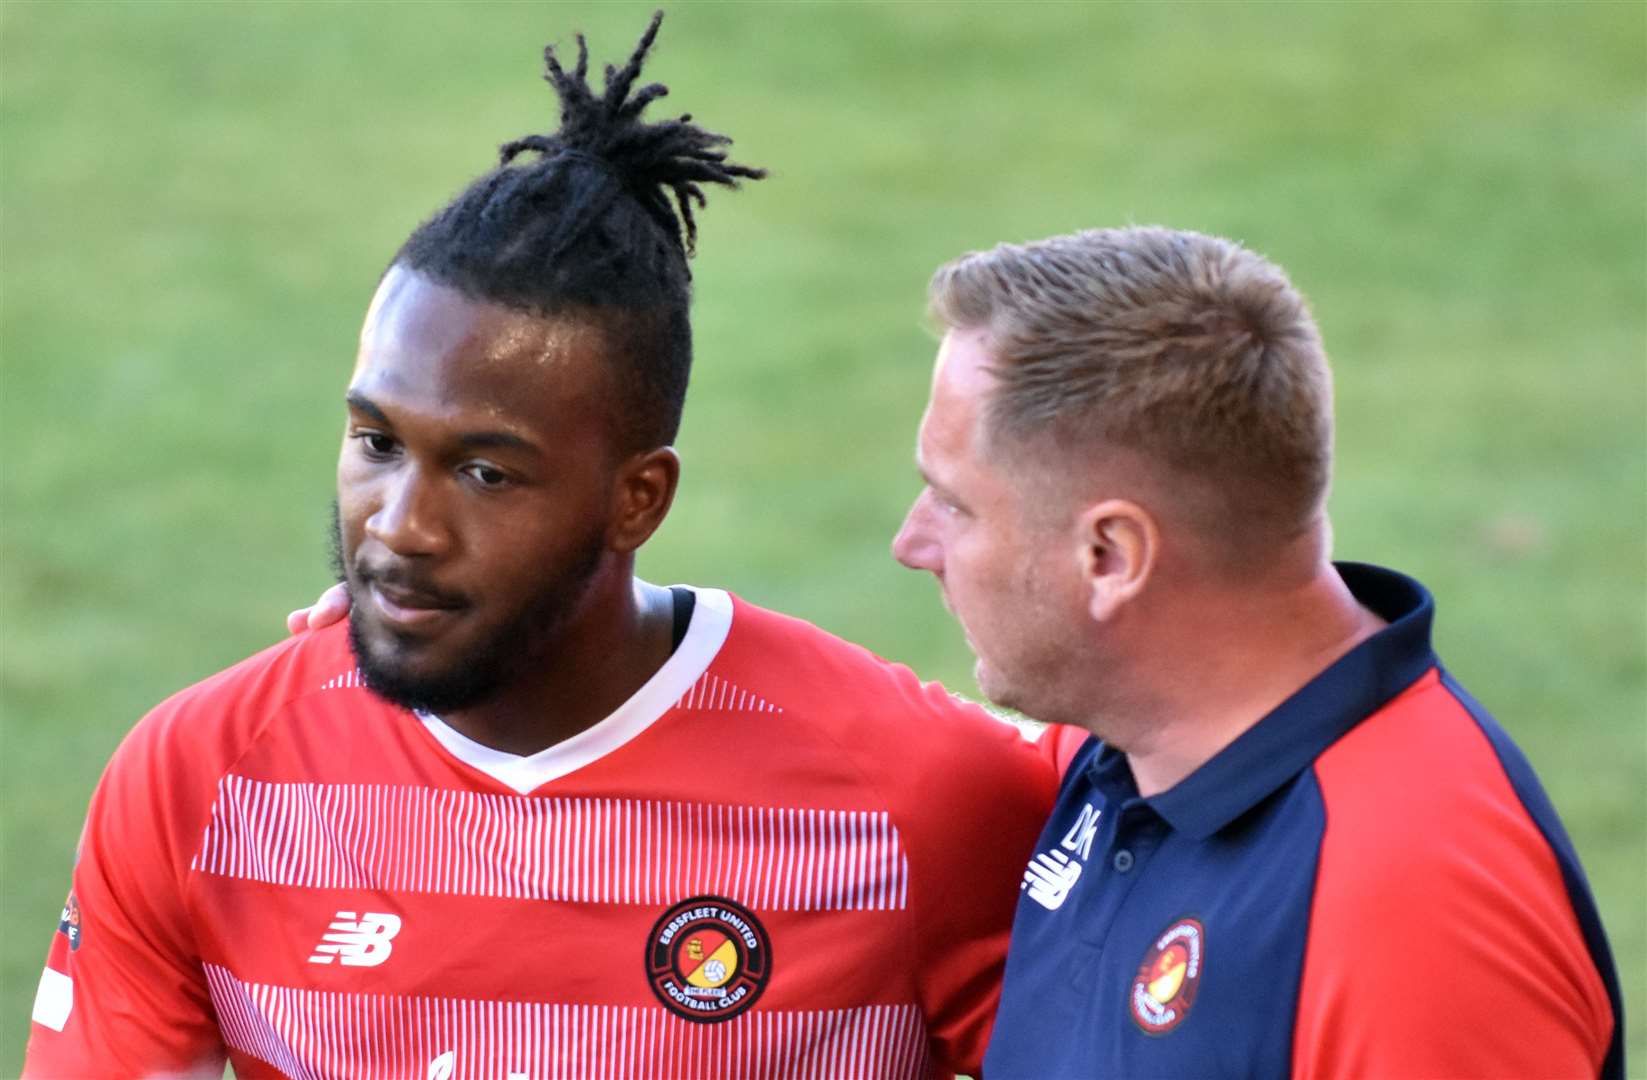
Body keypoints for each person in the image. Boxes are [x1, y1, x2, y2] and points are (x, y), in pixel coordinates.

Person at [23, 15, 1062, 1077]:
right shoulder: (202, 777)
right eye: (377, 443)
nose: (400, 527)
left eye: (486, 473)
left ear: (636, 500)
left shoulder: (917, 794)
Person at [890, 226, 1625, 1078]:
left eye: (953, 503)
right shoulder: (1128, 755)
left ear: (1110, 558)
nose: (913, 542)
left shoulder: (1406, 909)